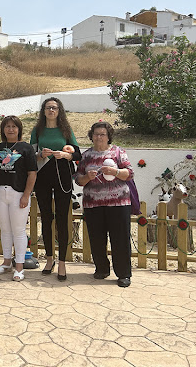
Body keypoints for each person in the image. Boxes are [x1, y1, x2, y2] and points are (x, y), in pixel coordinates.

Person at [75, 121, 134, 288]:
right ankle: (101, 269)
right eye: (96, 134)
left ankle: (123, 274)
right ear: (91, 136)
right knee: (96, 238)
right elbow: (78, 179)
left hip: (118, 203)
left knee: (120, 239)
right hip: (93, 204)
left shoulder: (118, 152)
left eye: (102, 134)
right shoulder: (86, 156)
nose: (99, 137)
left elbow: (129, 173)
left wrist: (115, 172)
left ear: (108, 137)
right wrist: (87, 177)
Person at [30, 97, 81, 281]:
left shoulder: (66, 130)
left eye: (55, 108)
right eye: (48, 107)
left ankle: (62, 262)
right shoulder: (37, 130)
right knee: (45, 217)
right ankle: (49, 259)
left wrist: (66, 154)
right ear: (43, 111)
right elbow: (30, 155)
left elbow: (77, 154)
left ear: (60, 111)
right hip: (43, 174)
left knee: (61, 217)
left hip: (62, 175)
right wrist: (40, 154)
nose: (51, 110)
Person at [0, 116, 37, 281]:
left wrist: (26, 195)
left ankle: (19, 267)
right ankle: (7, 262)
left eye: (13, 126)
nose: (10, 129)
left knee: (18, 231)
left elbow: (32, 173)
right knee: (5, 229)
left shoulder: (26, 148)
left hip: (18, 194)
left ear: (19, 129)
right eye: (7, 126)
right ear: (3, 130)